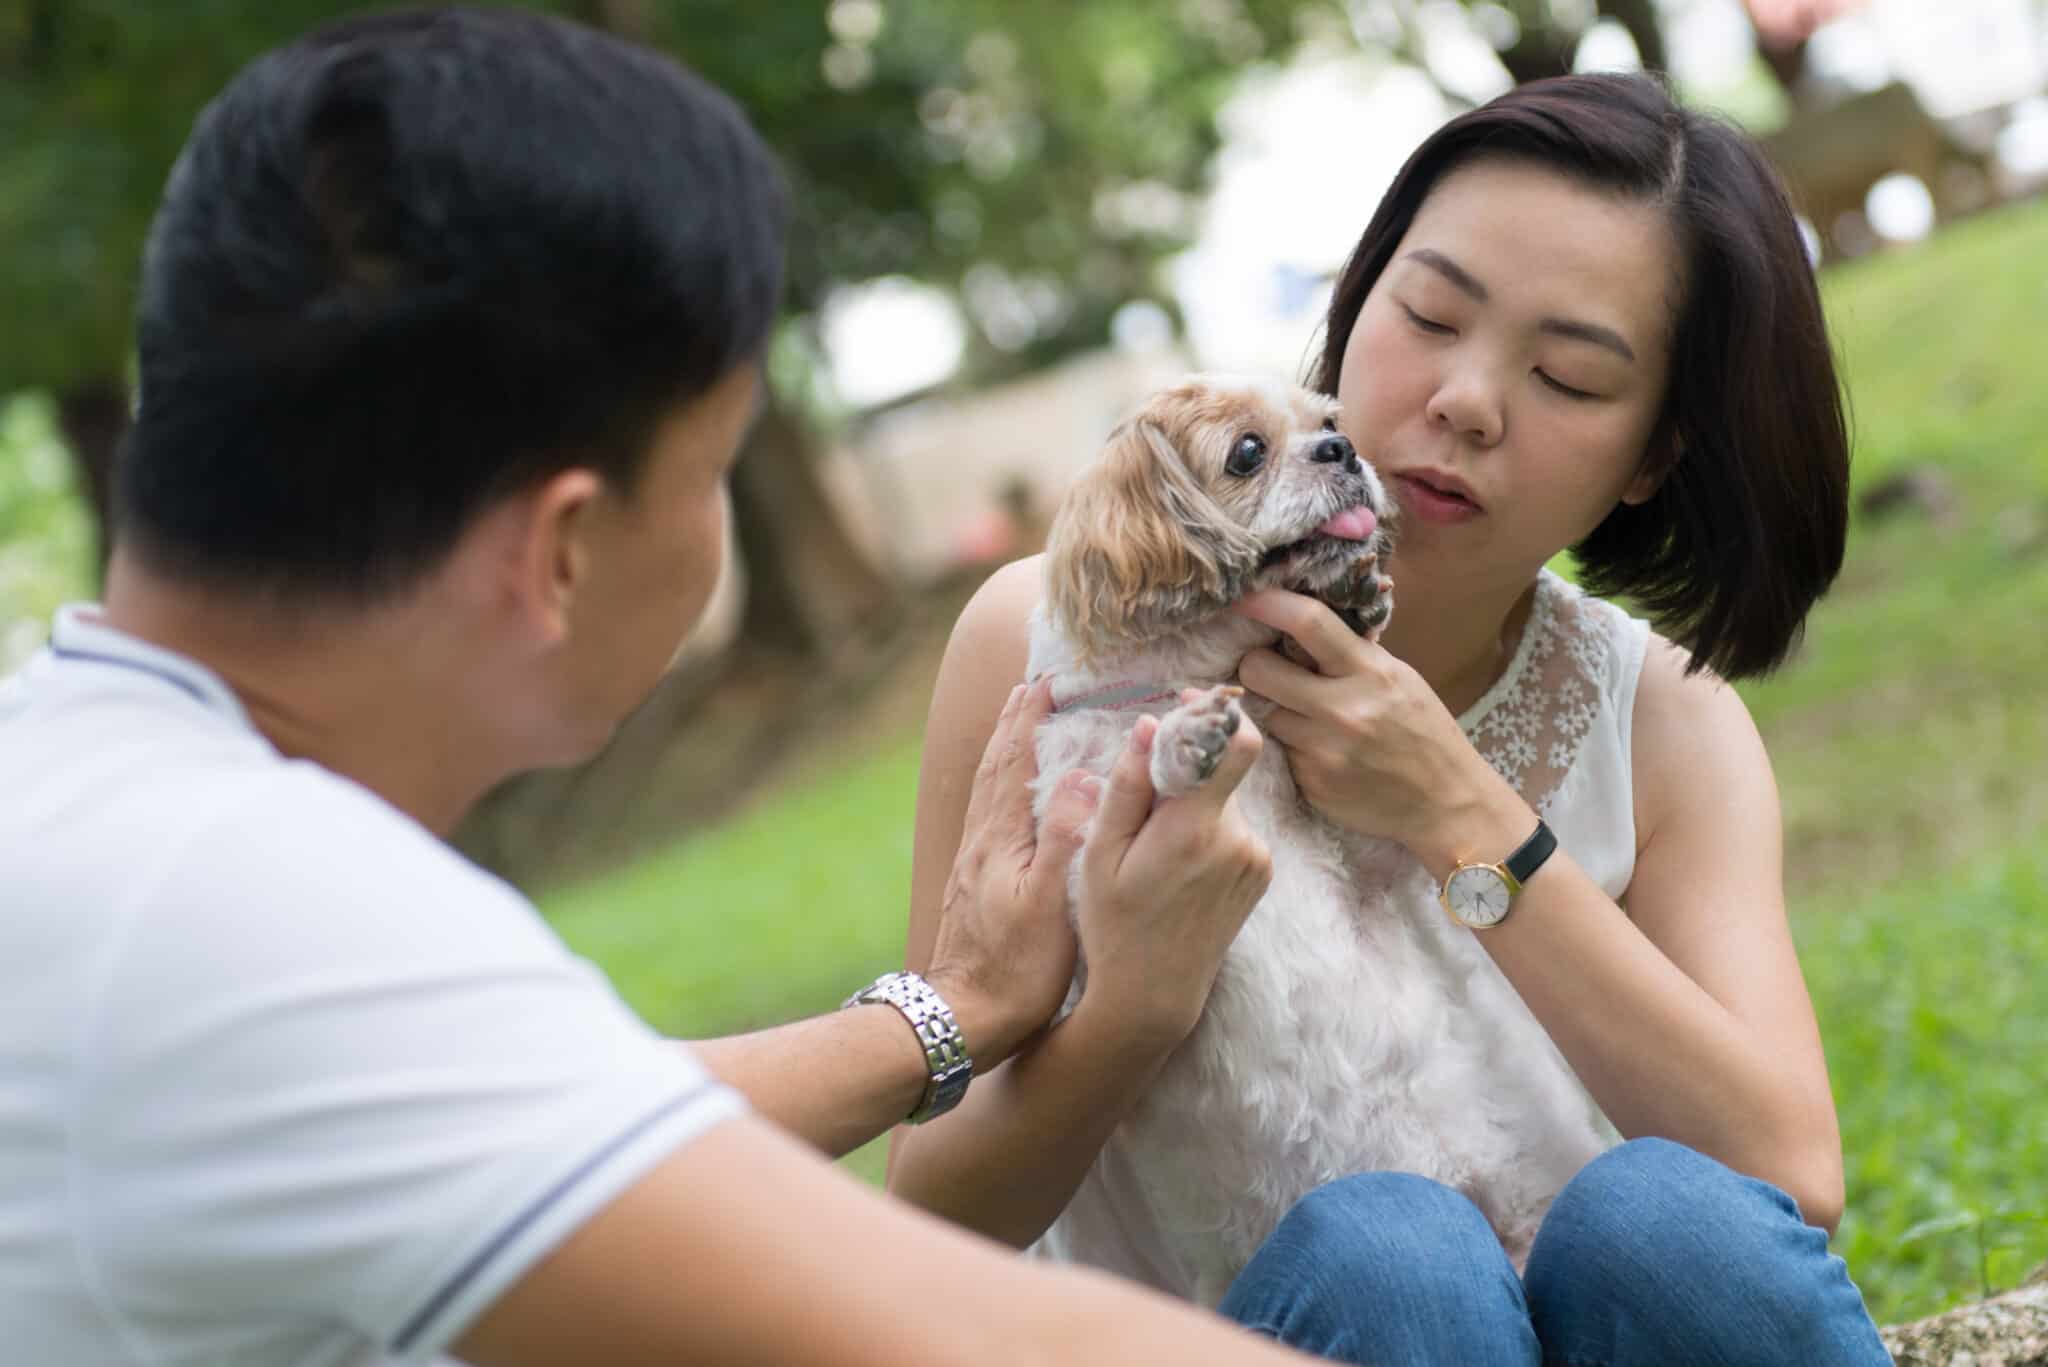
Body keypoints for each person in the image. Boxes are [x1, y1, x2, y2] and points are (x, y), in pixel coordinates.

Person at [0, 10, 1323, 1365]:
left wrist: (958, 1009)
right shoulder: (262, 917)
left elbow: (545, 1109)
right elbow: (969, 1341)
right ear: (563, 548)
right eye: (710, 474)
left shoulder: (88, 794)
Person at [889, 72, 1894, 1364]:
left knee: (1657, 1224)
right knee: (1387, 1257)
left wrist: (1458, 812)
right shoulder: (1048, 653)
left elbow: (1788, 1171)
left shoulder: (1660, 723)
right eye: (1429, 313)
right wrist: (1133, 1004)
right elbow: (932, 1214)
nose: (1467, 400)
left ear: (1652, 457)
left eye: (1570, 378)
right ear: (1358, 302)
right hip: (1239, 1330)